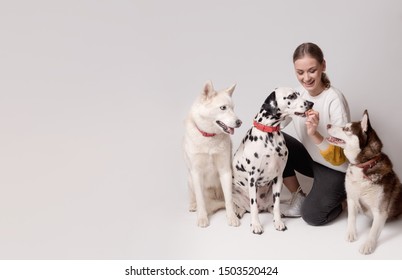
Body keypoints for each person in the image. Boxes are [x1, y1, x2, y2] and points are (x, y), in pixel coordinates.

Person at [281, 42, 351, 226]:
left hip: (336, 169)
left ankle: (343, 200)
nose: (306, 78)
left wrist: (315, 134)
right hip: (312, 160)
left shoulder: (334, 100)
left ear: (323, 66)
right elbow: (276, 125)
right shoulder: (298, 95)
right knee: (276, 140)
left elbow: (341, 157)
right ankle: (298, 196)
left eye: (312, 70)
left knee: (312, 217)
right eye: (300, 72)